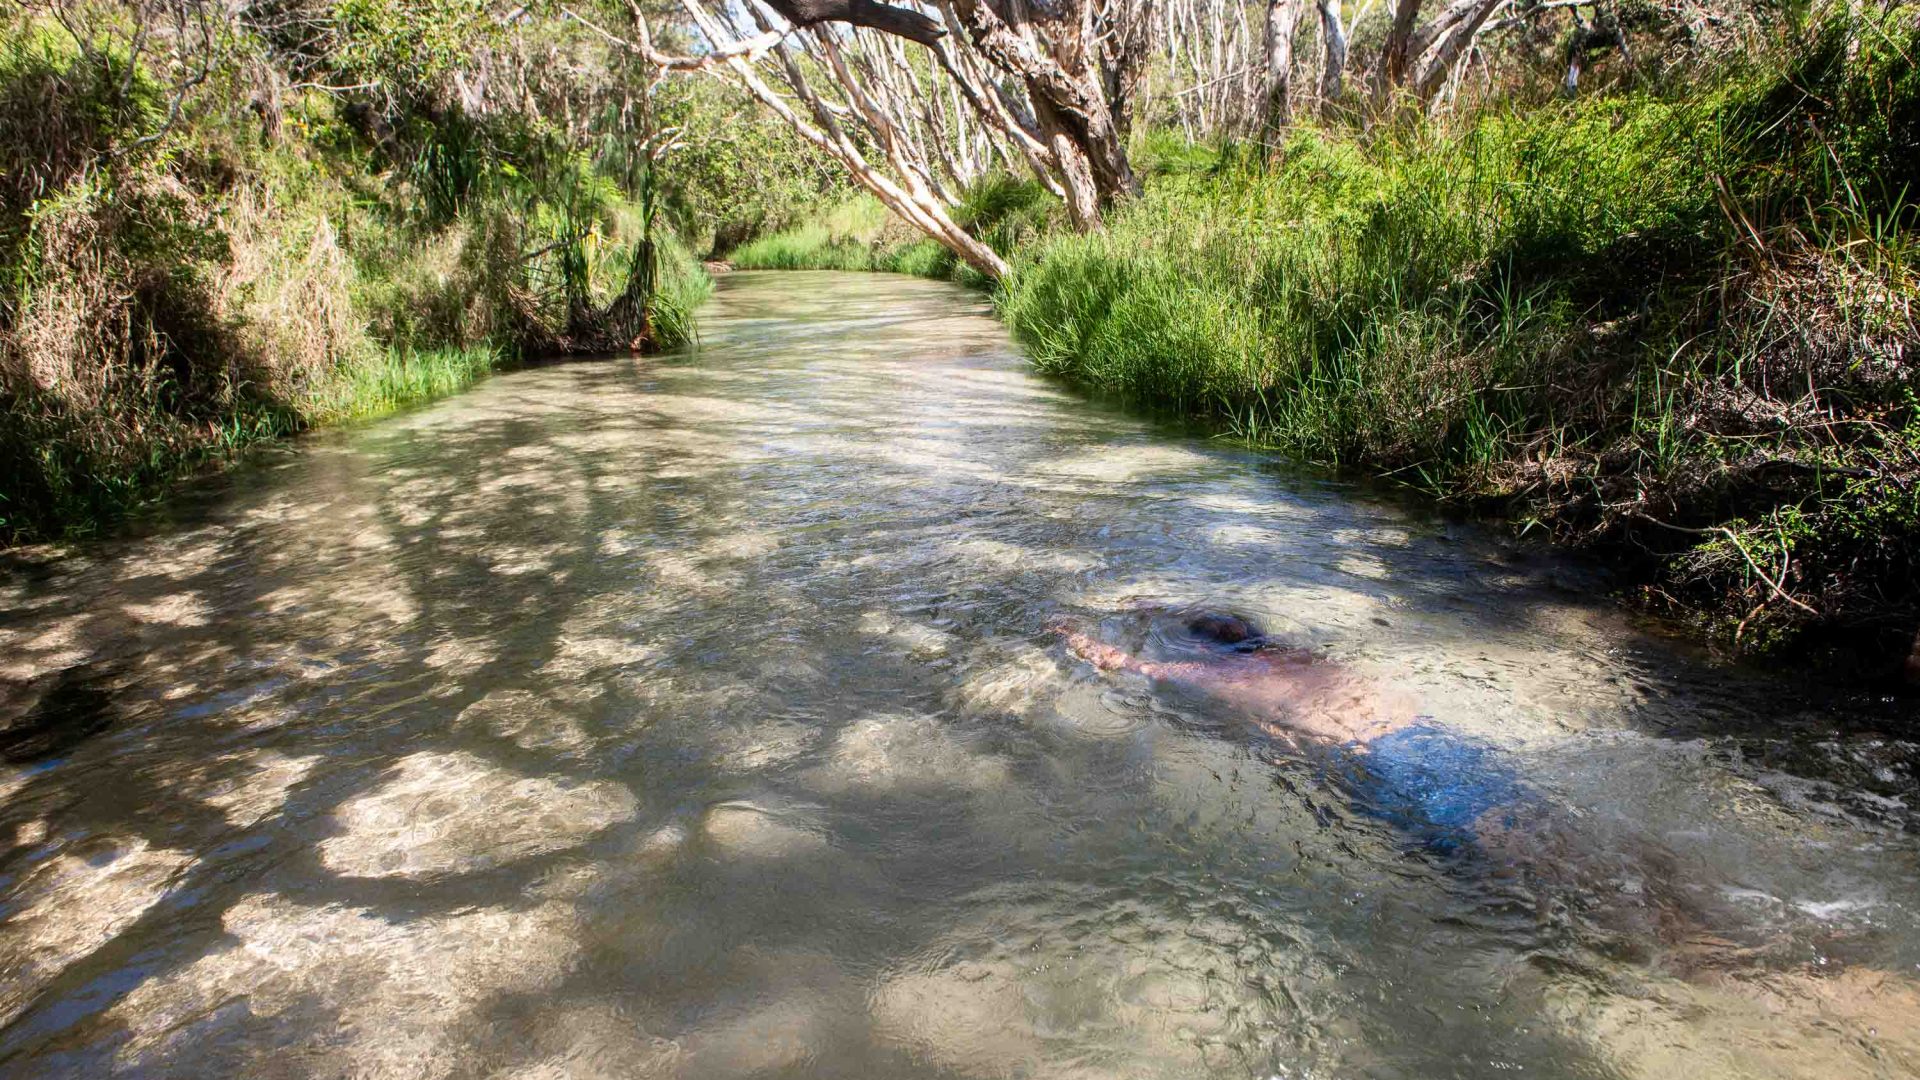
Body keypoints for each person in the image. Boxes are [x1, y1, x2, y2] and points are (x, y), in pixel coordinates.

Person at [1055, 609, 1532, 853]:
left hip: (1381, 765)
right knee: (1531, 829)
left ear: (1207, 650)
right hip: (1431, 735)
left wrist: (1068, 633)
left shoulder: (1222, 675)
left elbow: (1125, 664)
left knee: (1497, 866)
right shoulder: (1306, 657)